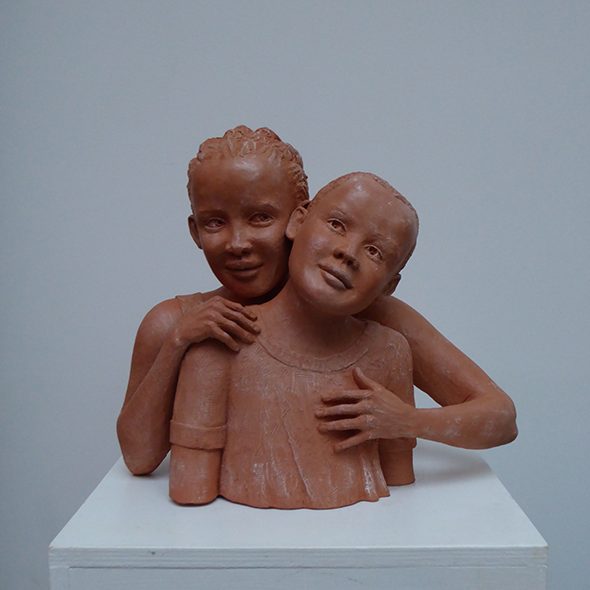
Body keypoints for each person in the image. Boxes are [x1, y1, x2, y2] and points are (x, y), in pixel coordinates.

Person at [116, 126, 517, 477]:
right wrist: (177, 344)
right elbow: (139, 457)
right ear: (195, 232)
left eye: (260, 218)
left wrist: (407, 422)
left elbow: (499, 415)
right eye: (215, 223)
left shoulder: (373, 316)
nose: (238, 244)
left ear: (300, 218)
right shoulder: (173, 322)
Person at [169, 172, 418, 508]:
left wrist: (407, 422)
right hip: (248, 535)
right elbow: (191, 489)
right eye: (336, 225)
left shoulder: (389, 351)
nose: (348, 253)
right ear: (298, 221)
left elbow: (400, 483)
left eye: (375, 252)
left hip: (357, 533)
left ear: (389, 286)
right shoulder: (220, 345)